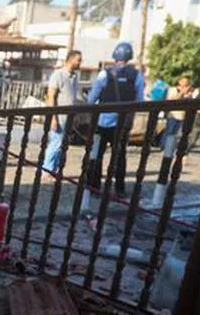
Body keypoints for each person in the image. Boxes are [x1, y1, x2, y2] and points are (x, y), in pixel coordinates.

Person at [84, 42, 144, 200]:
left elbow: (92, 98)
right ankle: (119, 189)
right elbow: (139, 100)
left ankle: (94, 186)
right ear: (129, 56)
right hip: (123, 123)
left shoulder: (105, 74)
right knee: (119, 156)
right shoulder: (136, 75)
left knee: (97, 155)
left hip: (103, 121)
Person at [42, 50, 83, 179]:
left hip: (69, 117)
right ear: (71, 59)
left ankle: (55, 169)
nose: (80, 63)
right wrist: (53, 117)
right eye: (78, 60)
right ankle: (46, 170)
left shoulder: (74, 77)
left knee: (62, 145)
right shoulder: (58, 75)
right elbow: (51, 96)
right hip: (59, 116)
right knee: (55, 143)